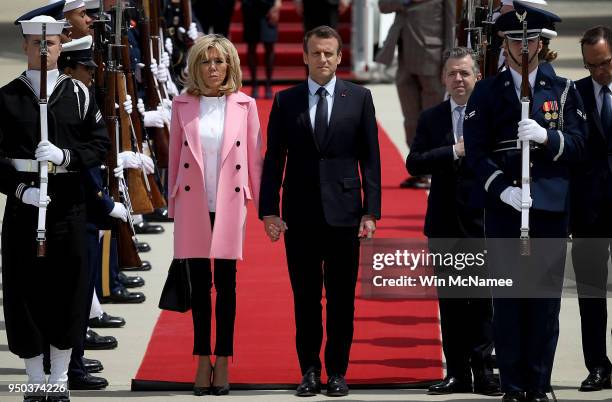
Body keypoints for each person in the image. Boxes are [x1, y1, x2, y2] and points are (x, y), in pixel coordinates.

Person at [463, 3, 587, 402]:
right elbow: (477, 153)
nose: (522, 47)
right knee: (509, 303)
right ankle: (513, 386)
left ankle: (538, 383)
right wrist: (503, 189)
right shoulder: (486, 91)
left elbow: (581, 147)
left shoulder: (563, 89)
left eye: (529, 39)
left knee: (544, 305)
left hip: (548, 210)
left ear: (540, 42)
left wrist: (547, 138)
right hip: (505, 210)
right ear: (505, 42)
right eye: (514, 39)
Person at [259, 25, 381, 397]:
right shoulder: (285, 100)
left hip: (346, 215)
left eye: (329, 53)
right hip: (300, 214)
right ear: (305, 55)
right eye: (316, 53)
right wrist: (269, 210)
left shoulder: (359, 97)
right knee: (306, 299)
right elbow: (274, 158)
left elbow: (370, 159)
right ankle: (309, 370)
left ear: (340, 56)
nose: (323, 59)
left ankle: (338, 372)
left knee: (342, 300)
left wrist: (371, 211)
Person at [0, 13, 110, 402]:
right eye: (36, 43)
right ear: (25, 46)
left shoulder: (79, 94)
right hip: (24, 209)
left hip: (67, 208)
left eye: (50, 43)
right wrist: (19, 191)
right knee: (24, 291)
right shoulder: (7, 96)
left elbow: (99, 146)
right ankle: (33, 379)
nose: (43, 49)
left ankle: (59, 378)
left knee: (68, 291)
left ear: (60, 46)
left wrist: (66, 156)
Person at [168, 34, 263, 396]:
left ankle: (223, 357)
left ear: (230, 66)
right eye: (206, 61)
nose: (213, 68)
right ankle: (201, 357)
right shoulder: (182, 104)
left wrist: (265, 209)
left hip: (228, 203)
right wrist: (172, 207)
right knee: (198, 286)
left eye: (219, 61)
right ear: (196, 66)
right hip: (192, 203)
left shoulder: (245, 105)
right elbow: (175, 156)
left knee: (226, 284)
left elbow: (255, 159)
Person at [406, 47, 500, 397]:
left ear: (477, 76)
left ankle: (485, 372)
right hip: (444, 222)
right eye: (452, 74)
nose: (458, 79)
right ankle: (458, 373)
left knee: (482, 301)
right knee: (451, 301)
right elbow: (414, 162)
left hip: (482, 221)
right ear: (443, 78)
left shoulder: (491, 115)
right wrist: (454, 151)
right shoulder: (432, 118)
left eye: (464, 73)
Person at [569, 25, 612, 392]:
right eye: (592, 65)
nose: (600, 71)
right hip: (589, 211)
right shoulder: (576, 94)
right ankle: (598, 365)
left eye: (605, 63)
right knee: (591, 294)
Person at [376, 0, 455, 189]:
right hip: (403, 56)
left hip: (432, 58)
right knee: (410, 119)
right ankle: (420, 168)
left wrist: (448, 61)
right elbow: (383, 6)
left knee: (433, 119)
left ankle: (434, 170)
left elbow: (450, 24)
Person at [241, 0, 281, 99]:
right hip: (250, 8)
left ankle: (268, 84)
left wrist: (276, 5)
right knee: (251, 46)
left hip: (268, 8)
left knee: (269, 46)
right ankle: (254, 85)